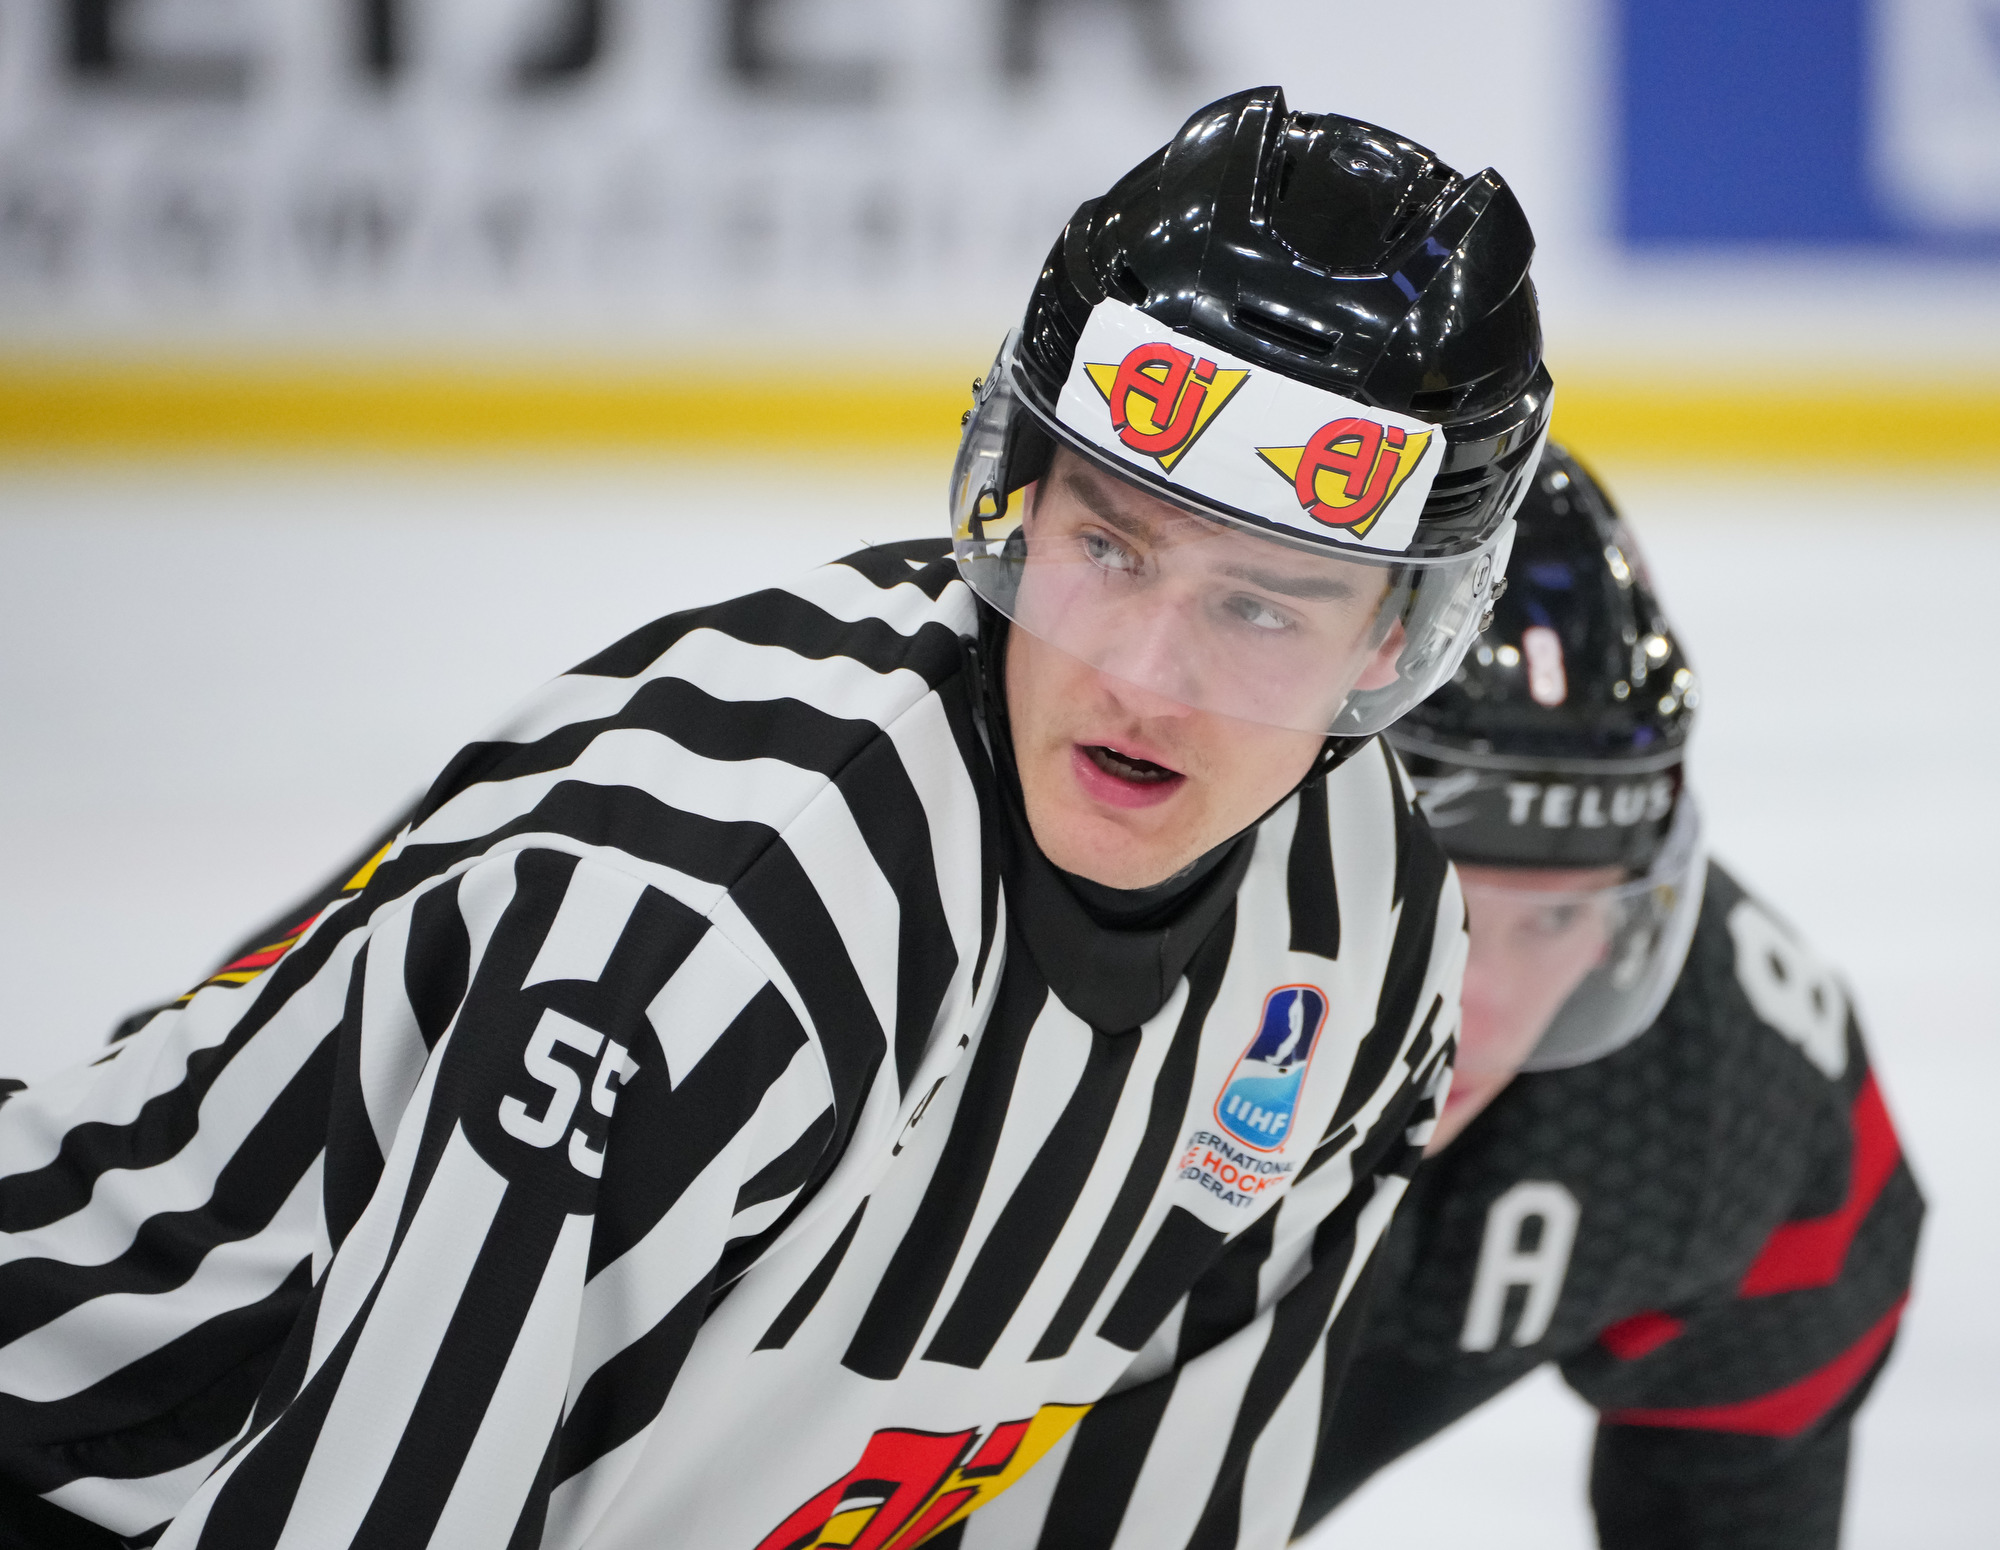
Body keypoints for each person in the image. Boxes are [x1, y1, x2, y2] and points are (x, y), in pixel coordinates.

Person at [0, 89, 1554, 1550]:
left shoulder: (1365, 953)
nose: (1141, 678)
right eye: (1113, 548)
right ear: (1022, 491)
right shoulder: (725, 901)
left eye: (1264, 610)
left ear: (1390, 643)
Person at [1296, 446, 1923, 1549]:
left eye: (1552, 916)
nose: (1476, 1016)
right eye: (1421, 892)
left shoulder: (1728, 1099)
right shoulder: (937, 947)